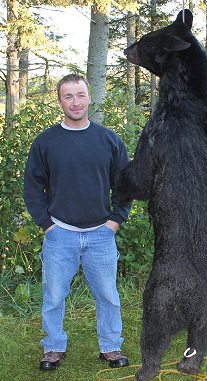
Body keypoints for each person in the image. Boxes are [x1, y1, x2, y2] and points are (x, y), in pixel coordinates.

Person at [24, 73, 130, 371]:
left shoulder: (108, 140)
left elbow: (124, 185)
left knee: (108, 296)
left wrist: (115, 222)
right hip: (60, 235)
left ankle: (110, 346)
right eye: (68, 96)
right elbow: (33, 187)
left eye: (80, 95)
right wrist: (47, 225)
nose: (75, 102)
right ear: (60, 101)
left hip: (100, 234)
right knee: (54, 296)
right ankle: (54, 347)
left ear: (89, 97)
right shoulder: (45, 142)